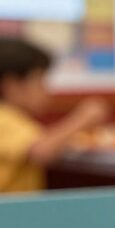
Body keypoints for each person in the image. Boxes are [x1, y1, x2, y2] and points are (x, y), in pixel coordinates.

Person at [0, 37, 108, 193]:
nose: (46, 90)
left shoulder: (15, 118)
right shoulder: (5, 118)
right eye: (39, 81)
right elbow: (42, 151)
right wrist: (83, 119)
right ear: (12, 85)